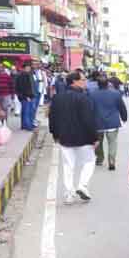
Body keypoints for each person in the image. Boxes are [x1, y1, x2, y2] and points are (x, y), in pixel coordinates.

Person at [49, 71, 97, 204]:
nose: (85, 81)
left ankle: (69, 194)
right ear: (74, 82)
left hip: (64, 137)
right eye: (83, 79)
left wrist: (55, 134)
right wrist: (94, 137)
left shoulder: (58, 98)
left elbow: (52, 117)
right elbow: (89, 120)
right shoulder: (84, 98)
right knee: (89, 162)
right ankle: (82, 185)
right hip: (84, 138)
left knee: (68, 165)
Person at [90, 75, 128, 170]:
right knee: (112, 143)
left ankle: (99, 158)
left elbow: (89, 109)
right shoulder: (116, 93)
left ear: (97, 84)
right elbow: (122, 107)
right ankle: (111, 161)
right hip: (112, 123)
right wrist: (124, 117)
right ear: (108, 83)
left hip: (97, 122)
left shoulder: (92, 94)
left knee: (98, 142)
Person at [15, 61, 36, 131]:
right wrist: (27, 96)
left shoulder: (28, 74)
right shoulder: (23, 75)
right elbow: (22, 87)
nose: (29, 69)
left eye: (29, 68)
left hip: (28, 96)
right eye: (27, 68)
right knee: (27, 111)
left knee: (25, 111)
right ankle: (28, 126)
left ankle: (24, 125)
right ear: (24, 68)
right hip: (26, 96)